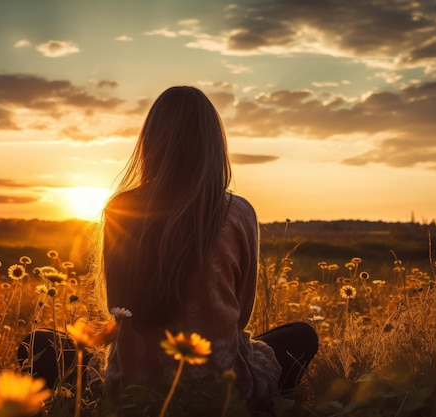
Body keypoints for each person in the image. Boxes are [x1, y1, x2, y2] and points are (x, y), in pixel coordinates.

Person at [98, 86, 318, 414]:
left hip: (134, 395)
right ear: (214, 145)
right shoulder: (239, 212)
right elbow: (241, 315)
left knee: (39, 344)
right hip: (221, 393)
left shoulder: (121, 209)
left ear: (151, 143)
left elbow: (117, 309)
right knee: (301, 336)